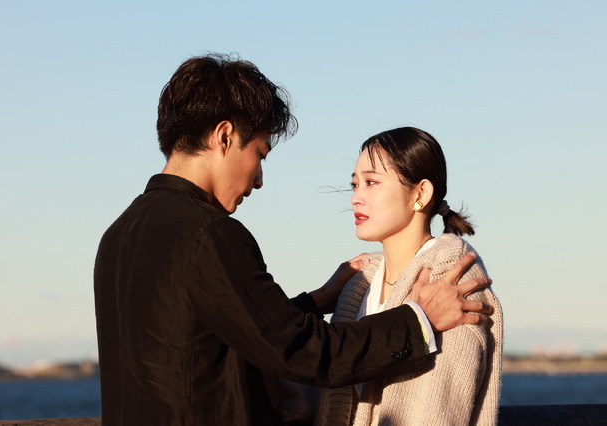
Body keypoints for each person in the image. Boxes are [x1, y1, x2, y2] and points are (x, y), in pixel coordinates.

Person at [93, 54, 494, 426]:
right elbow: (305, 354)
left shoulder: (117, 236)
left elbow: (217, 333)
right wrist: (418, 320)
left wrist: (317, 302)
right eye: (260, 154)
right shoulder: (209, 234)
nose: (258, 179)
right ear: (224, 136)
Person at [313, 127, 503, 425]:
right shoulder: (359, 285)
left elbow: (438, 414)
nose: (355, 198)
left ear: (420, 193)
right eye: (354, 185)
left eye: (371, 182)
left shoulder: (451, 283)